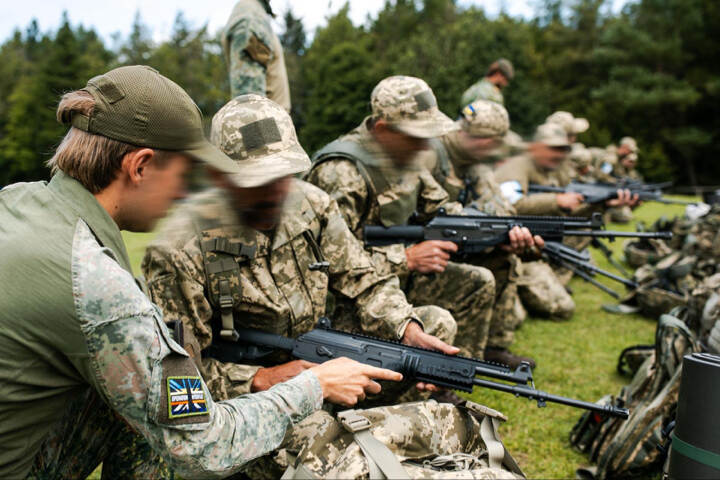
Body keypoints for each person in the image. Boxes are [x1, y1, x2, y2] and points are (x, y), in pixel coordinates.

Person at [0, 66, 400, 479]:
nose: (184, 192)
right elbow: (203, 445)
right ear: (140, 166)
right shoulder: (97, 285)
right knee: (160, 420)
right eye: (183, 173)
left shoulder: (16, 202)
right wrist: (314, 386)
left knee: (138, 399)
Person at [142, 94, 457, 406]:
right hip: (254, 402)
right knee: (326, 429)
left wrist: (406, 328)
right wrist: (261, 379)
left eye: (283, 175)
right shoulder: (180, 249)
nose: (274, 192)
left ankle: (357, 415)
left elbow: (364, 280)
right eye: (257, 179)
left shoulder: (312, 205)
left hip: (317, 356)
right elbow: (177, 372)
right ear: (219, 176)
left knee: (429, 328)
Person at [308, 76, 522, 363]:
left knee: (477, 282)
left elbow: (441, 209)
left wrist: (498, 232)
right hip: (346, 301)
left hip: (392, 279)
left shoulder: (406, 159)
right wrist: (406, 259)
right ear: (382, 130)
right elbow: (329, 266)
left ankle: (458, 373)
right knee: (438, 319)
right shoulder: (341, 173)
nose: (426, 146)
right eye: (419, 137)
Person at [416, 99, 542, 367]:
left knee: (506, 259)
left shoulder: (474, 164)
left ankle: (492, 347)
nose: (495, 151)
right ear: (475, 136)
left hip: (452, 249)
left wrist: (506, 235)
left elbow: (501, 208)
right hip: (417, 256)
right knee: (479, 277)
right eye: (492, 143)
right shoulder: (429, 155)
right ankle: (456, 363)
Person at [222, 0, 290, 111]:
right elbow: (250, 106)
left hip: (273, 118)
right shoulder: (253, 16)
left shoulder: (255, 13)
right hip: (267, 120)